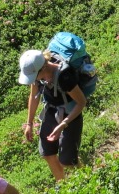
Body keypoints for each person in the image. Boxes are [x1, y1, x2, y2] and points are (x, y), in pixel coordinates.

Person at [18, 48, 88, 181]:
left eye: (34, 76)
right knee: (47, 153)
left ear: (43, 68)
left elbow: (81, 102)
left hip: (71, 114)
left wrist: (63, 124)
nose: (33, 80)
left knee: (67, 162)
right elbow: (34, 96)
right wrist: (29, 123)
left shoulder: (64, 76)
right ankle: (62, 186)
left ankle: (87, 180)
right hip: (51, 110)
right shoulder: (37, 75)